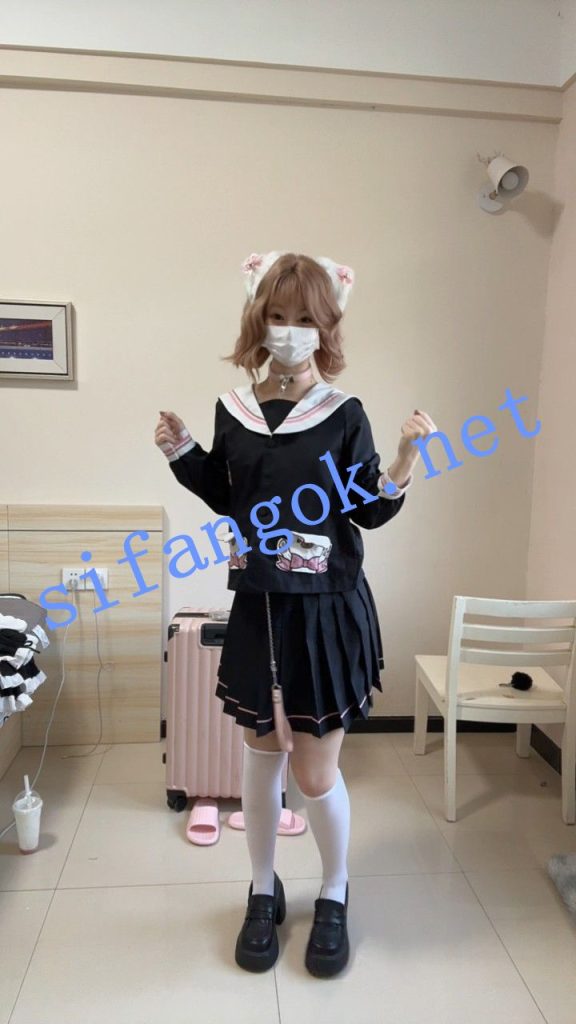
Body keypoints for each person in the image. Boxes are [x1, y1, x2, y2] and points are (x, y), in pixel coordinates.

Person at [154, 251, 435, 979]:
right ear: (258, 320)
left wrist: (404, 459)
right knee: (259, 756)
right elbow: (228, 491)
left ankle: (334, 890)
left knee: (313, 774)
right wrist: (184, 452)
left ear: (326, 326)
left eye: (304, 318)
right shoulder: (236, 409)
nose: (288, 330)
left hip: (324, 613)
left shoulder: (343, 414)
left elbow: (368, 509)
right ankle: (261, 888)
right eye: (277, 316)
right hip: (259, 607)